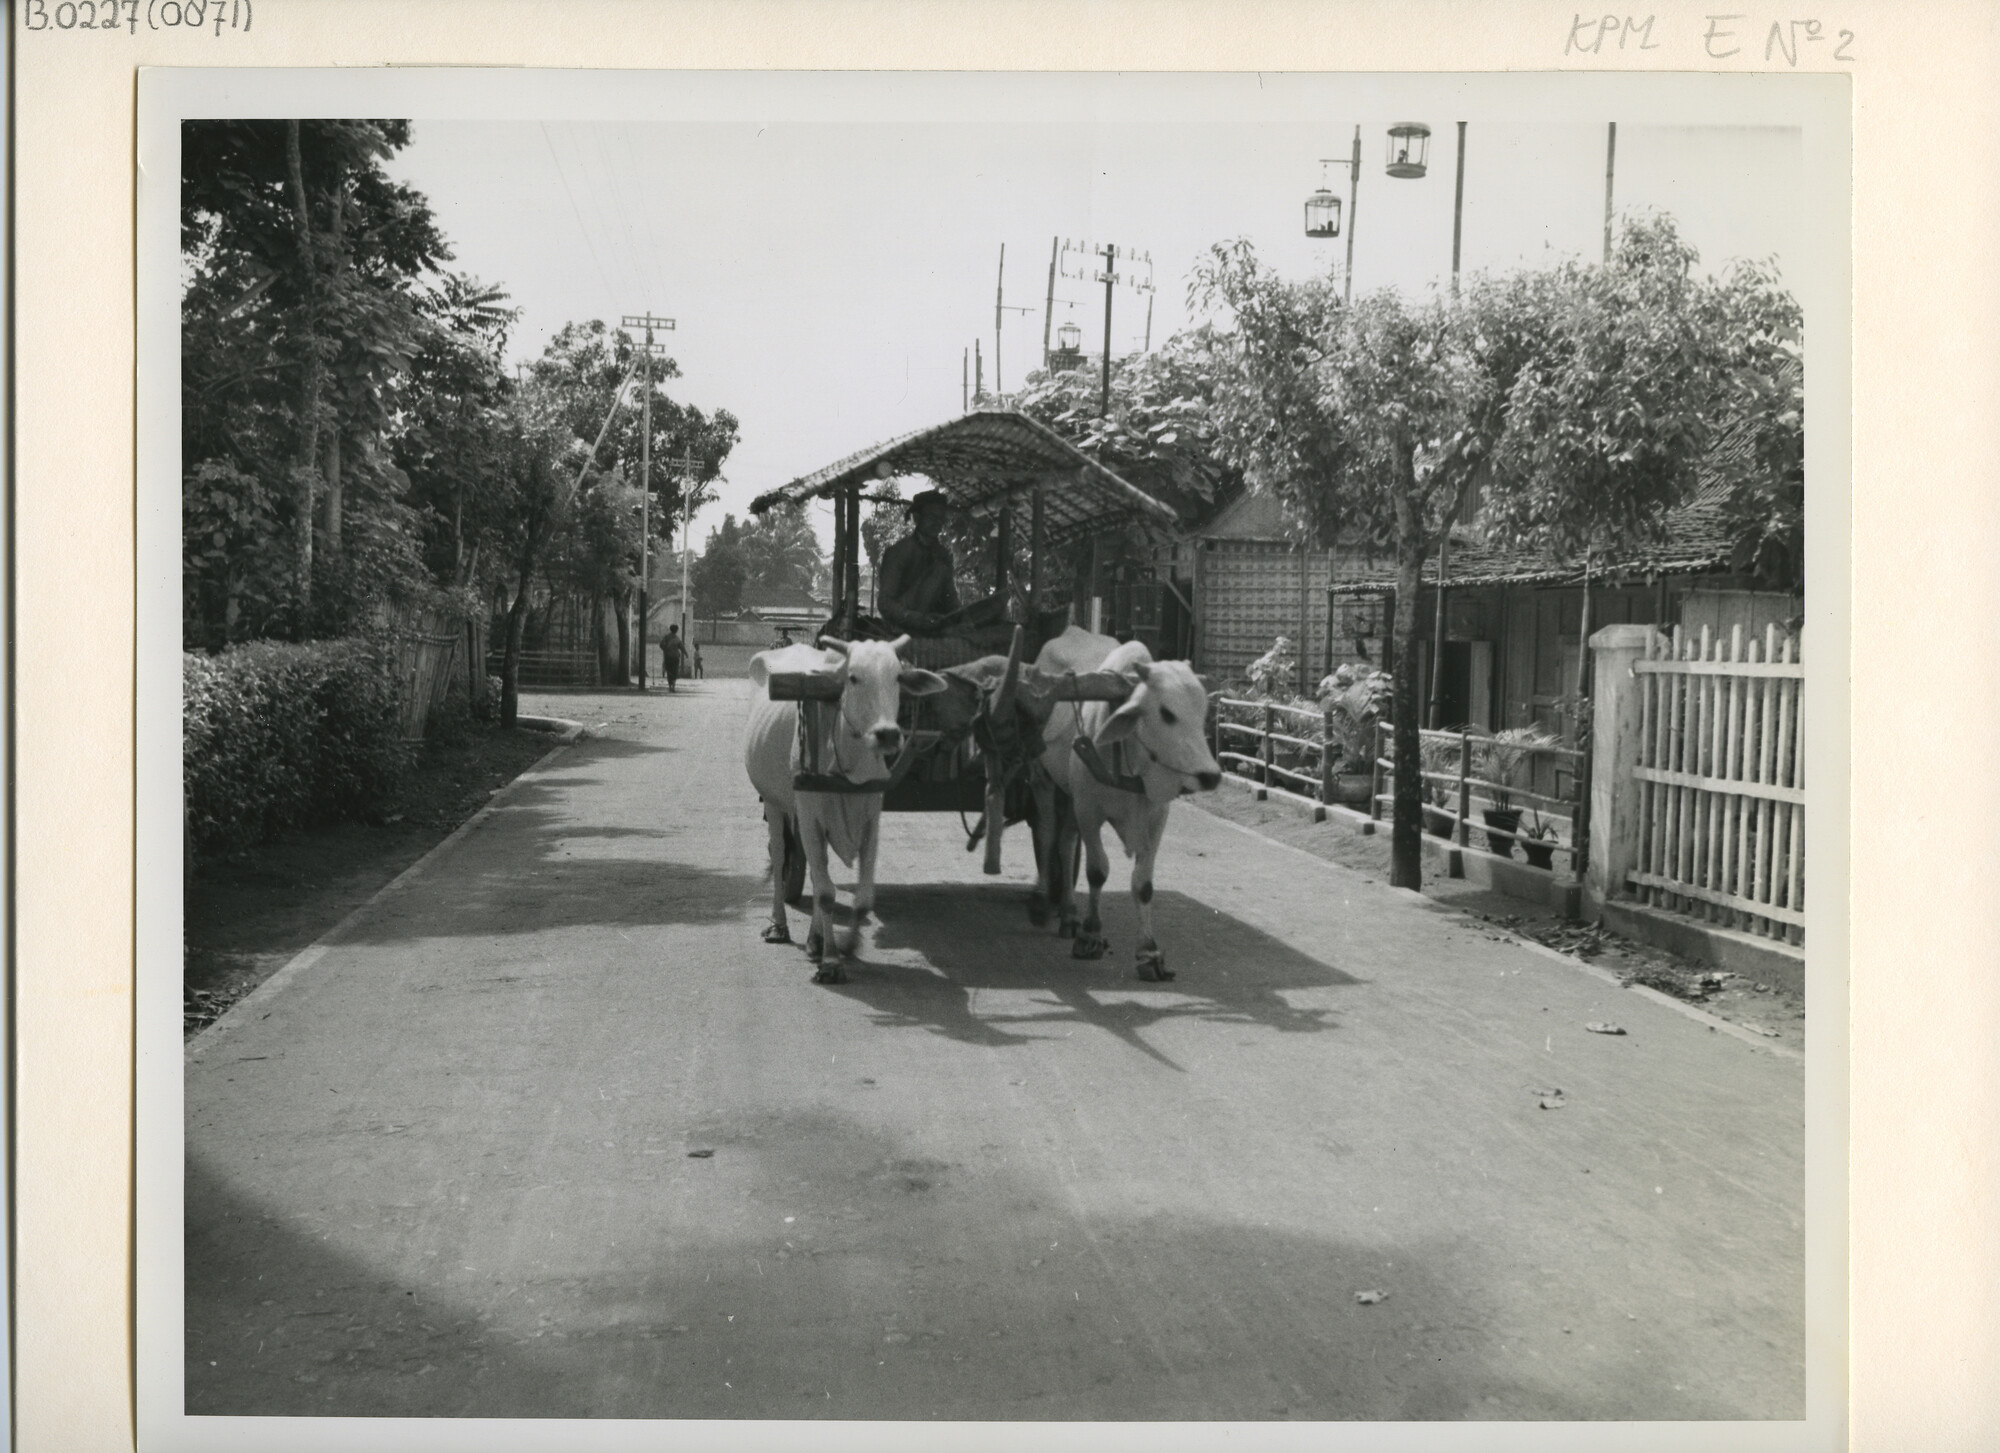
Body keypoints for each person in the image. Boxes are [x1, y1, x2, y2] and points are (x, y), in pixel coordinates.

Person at [875, 489, 1005, 637]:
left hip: (930, 626)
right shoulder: (899, 552)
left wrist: (961, 617)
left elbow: (949, 597)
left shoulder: (943, 554)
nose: (938, 523)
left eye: (941, 518)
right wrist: (916, 619)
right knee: (939, 568)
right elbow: (885, 603)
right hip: (899, 628)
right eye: (932, 517)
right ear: (917, 518)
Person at [661, 625, 687, 693]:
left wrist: (665, 649)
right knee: (675, 671)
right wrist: (686, 654)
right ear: (676, 630)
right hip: (675, 657)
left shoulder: (666, 637)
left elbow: (661, 644)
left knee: (669, 671)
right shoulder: (677, 638)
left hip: (668, 656)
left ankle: (670, 686)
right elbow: (682, 647)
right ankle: (673, 686)